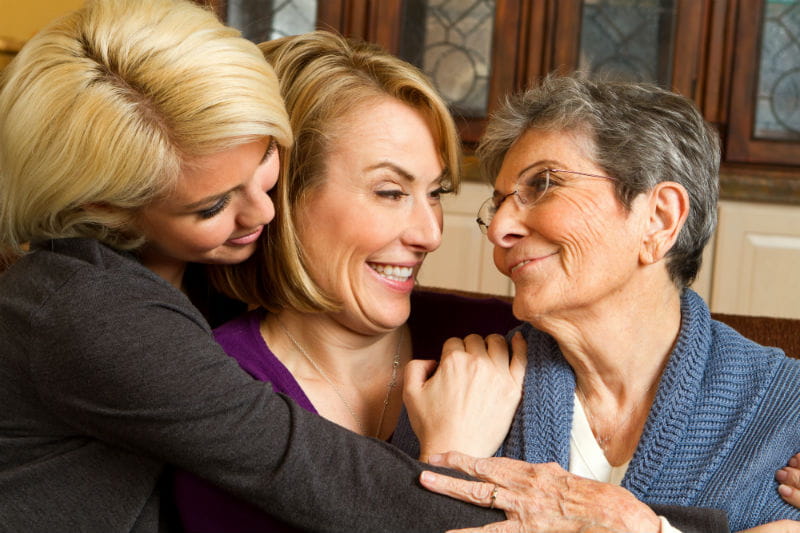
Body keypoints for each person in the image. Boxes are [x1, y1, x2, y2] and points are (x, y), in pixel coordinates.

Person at [0, 2, 730, 531]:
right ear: (114, 206)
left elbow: (690, 372)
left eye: (436, 191)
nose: (259, 214)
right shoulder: (99, 315)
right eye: (387, 190)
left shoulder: (491, 330)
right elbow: (319, 473)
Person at [403, 75, 800, 532]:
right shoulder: (456, 397)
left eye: (544, 184)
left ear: (658, 218)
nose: (499, 230)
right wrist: (446, 459)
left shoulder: (786, 411)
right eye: (498, 206)